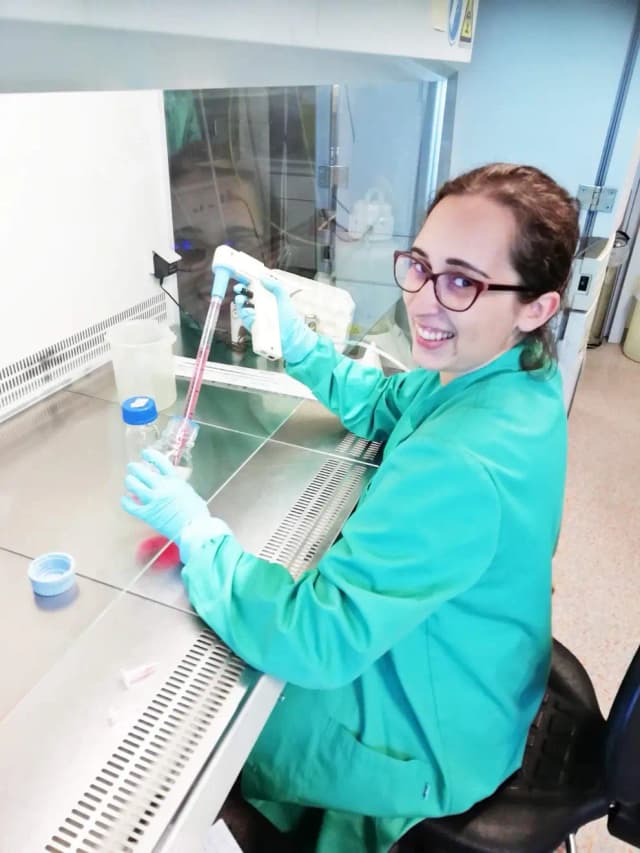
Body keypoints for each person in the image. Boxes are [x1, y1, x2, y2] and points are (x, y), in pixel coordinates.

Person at [122, 163, 579, 853]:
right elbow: (384, 402)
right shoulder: (516, 378)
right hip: (488, 676)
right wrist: (300, 345)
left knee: (198, 733)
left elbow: (314, 637)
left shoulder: (460, 462)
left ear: (536, 307)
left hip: (437, 739)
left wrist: (199, 534)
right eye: (420, 266)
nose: (423, 301)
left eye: (462, 280)